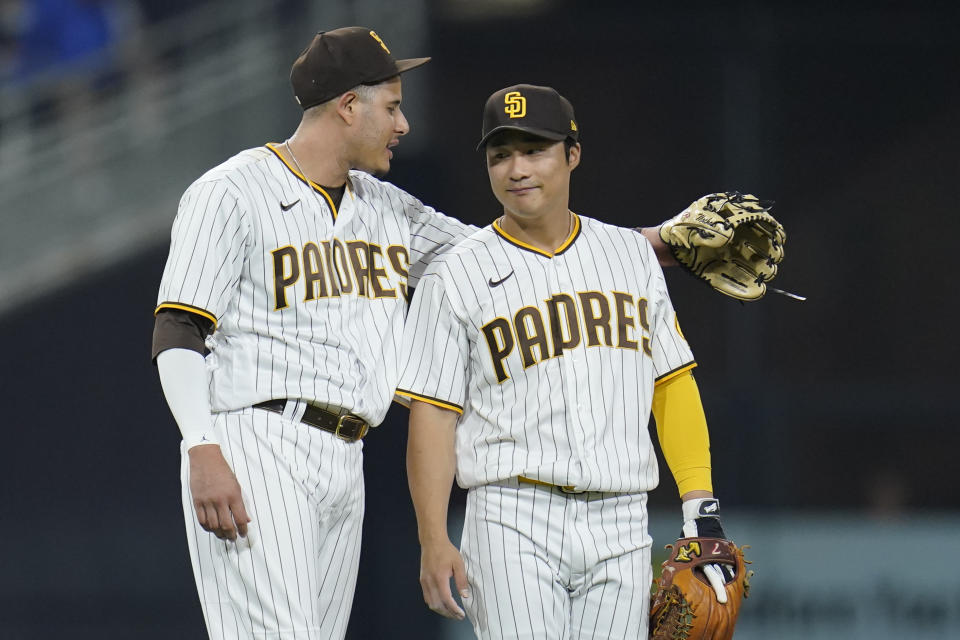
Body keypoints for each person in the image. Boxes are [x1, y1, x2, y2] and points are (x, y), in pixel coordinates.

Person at [152, 28, 725, 640]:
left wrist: (656, 244)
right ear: (350, 106)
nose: (403, 124)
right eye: (393, 106)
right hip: (256, 441)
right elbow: (178, 328)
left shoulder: (388, 209)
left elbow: (510, 255)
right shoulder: (231, 192)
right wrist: (201, 446)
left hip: (346, 455)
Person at [397, 84, 735, 639]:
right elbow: (433, 414)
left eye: (535, 150)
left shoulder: (631, 257)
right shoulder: (456, 271)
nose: (517, 168)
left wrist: (699, 503)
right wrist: (434, 538)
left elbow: (672, 382)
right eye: (500, 154)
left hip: (622, 519)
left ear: (572, 155)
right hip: (511, 515)